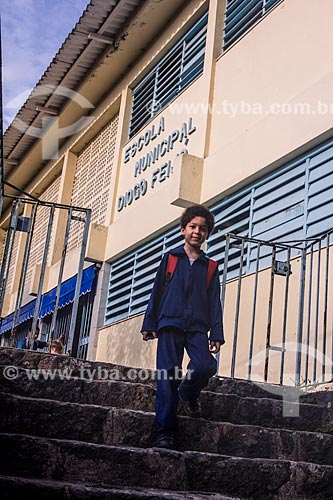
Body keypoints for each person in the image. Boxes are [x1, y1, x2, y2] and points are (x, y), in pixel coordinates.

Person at [141, 204, 225, 449]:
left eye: (203, 229)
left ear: (207, 234)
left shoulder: (210, 266)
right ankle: (164, 432)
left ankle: (188, 393)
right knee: (167, 376)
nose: (197, 232)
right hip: (170, 323)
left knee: (205, 365)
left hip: (198, 327)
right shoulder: (170, 259)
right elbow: (157, 291)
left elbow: (214, 302)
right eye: (193, 227)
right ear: (183, 230)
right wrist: (150, 322)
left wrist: (216, 332)